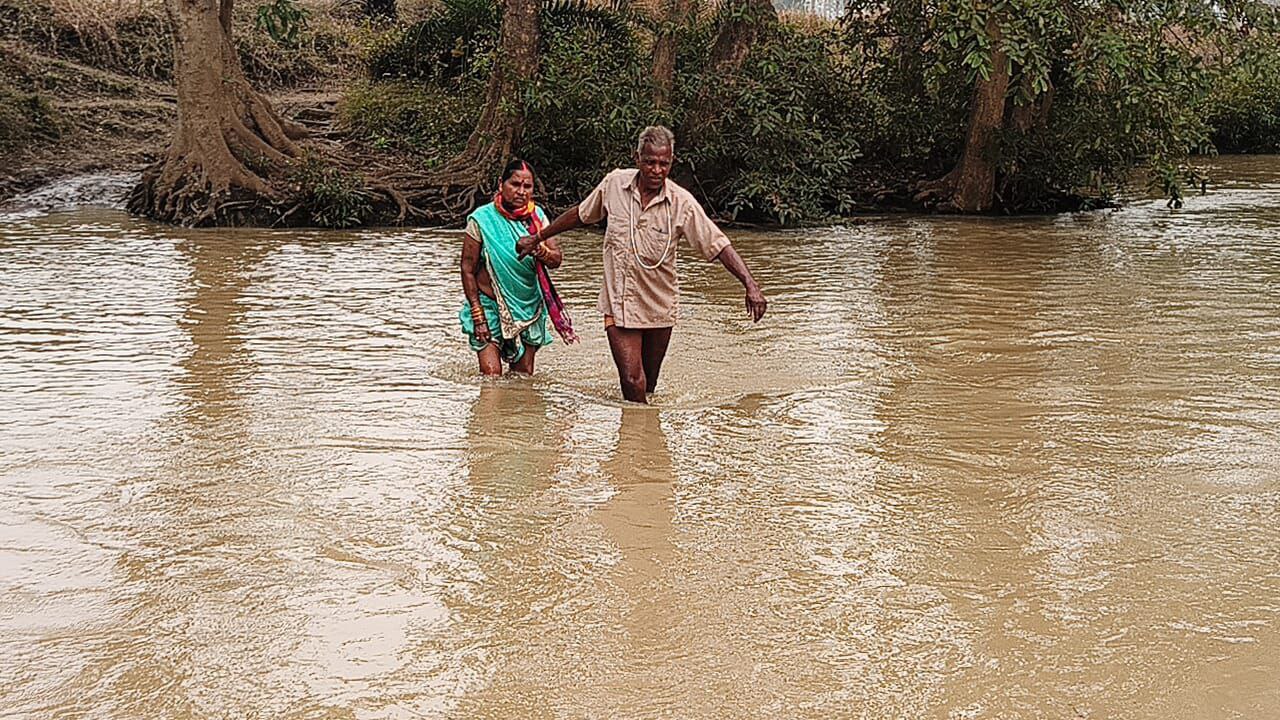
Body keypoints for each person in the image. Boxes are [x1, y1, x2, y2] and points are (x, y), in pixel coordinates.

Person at [516, 126, 766, 403]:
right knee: (632, 380)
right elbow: (581, 214)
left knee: (648, 385)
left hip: (659, 303)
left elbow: (717, 244)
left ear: (671, 162)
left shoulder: (681, 203)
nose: (656, 170)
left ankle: (646, 427)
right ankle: (635, 429)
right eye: (650, 162)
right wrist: (537, 237)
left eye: (663, 164)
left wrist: (750, 284)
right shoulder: (614, 184)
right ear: (637, 158)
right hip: (619, 300)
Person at [460, 158, 577, 376]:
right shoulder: (481, 220)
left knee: (522, 378)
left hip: (528, 307)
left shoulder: (538, 218)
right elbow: (467, 268)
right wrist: (478, 315)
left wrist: (538, 248)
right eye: (515, 184)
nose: (521, 191)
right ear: (501, 184)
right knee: (491, 376)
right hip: (489, 306)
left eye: (527, 186)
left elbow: (556, 260)